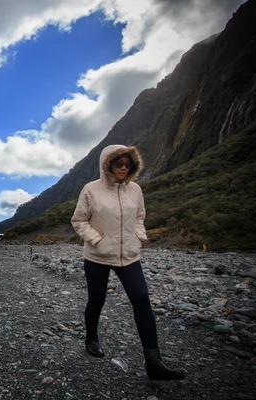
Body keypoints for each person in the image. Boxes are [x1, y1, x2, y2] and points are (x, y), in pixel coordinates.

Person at [71, 144, 185, 381]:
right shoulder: (91, 190)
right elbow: (79, 220)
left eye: (128, 164)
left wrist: (139, 236)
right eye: (119, 164)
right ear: (107, 164)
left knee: (142, 299)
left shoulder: (135, 190)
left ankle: (154, 362)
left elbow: (140, 217)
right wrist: (96, 240)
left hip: (129, 256)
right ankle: (91, 339)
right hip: (98, 256)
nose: (124, 168)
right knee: (97, 299)